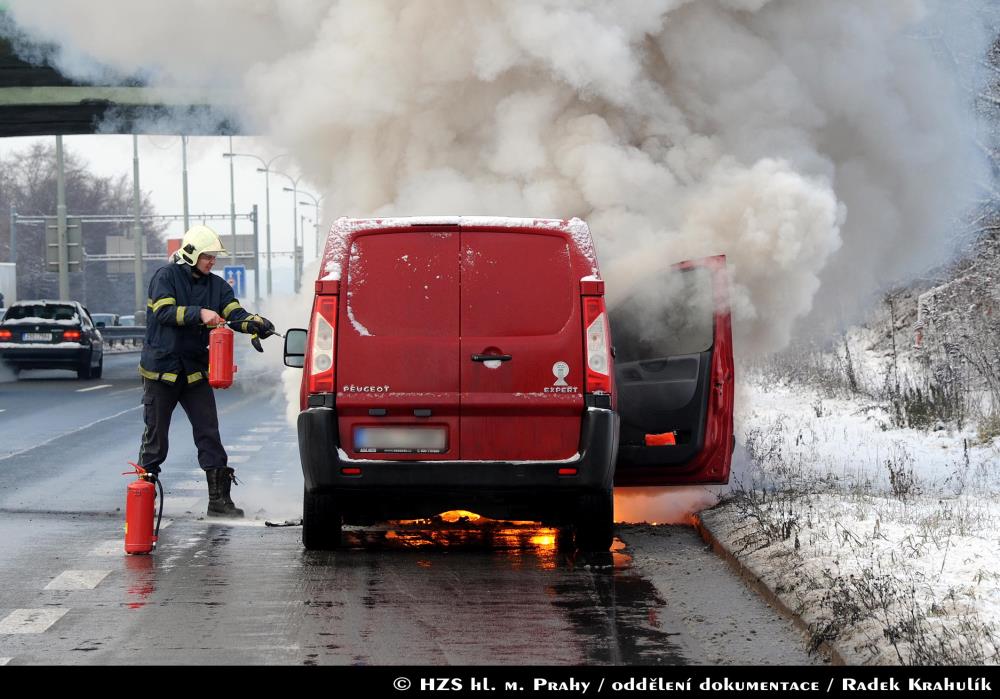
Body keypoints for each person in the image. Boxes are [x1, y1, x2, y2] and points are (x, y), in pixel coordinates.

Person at [136, 225, 275, 518]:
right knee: (156, 438)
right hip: (162, 372)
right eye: (208, 256)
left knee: (209, 433)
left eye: (214, 257)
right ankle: (143, 500)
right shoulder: (165, 277)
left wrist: (255, 323)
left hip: (195, 372)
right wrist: (198, 313)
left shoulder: (218, 286)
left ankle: (219, 501)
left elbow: (233, 313)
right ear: (191, 254)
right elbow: (163, 312)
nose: (213, 262)